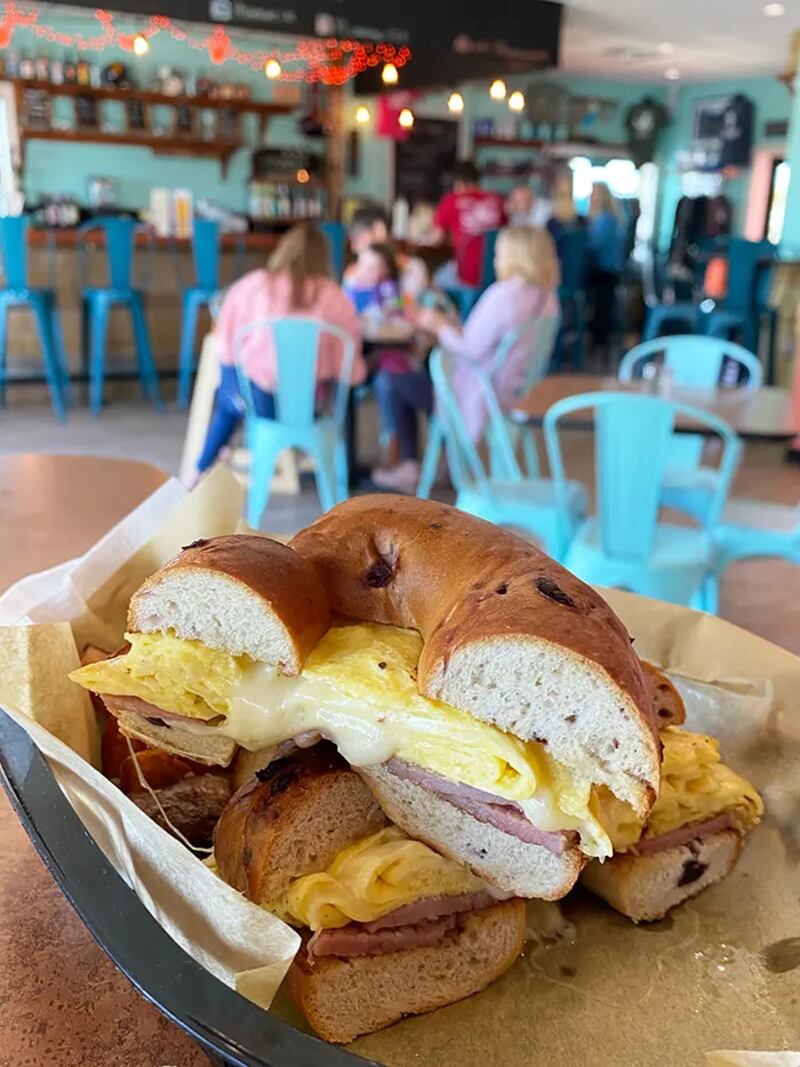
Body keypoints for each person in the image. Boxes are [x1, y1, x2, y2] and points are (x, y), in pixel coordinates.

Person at [371, 226, 560, 493]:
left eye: (498, 253)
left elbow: (468, 348)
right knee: (414, 374)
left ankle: (412, 464)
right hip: (517, 390)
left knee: (390, 379)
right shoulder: (548, 298)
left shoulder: (504, 295)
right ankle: (446, 462)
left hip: (481, 394)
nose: (495, 260)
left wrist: (438, 325)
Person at [190, 222, 364, 483]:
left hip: (257, 404)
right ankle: (337, 477)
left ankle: (200, 469)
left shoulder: (252, 286)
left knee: (231, 390)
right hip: (308, 410)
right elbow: (351, 373)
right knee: (324, 392)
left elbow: (225, 343)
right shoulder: (336, 299)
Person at [431, 160, 506, 289]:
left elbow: (437, 239)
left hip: (466, 274)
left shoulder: (452, 200)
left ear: (459, 183)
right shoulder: (496, 200)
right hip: (496, 274)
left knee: (435, 280)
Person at [346, 205, 428, 301]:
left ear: (380, 232)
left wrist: (387, 304)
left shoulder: (412, 268)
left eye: (358, 239)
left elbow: (407, 303)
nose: (353, 248)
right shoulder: (353, 274)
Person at [586, 183, 625, 349]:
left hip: (604, 271)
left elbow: (593, 247)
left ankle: (597, 339)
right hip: (612, 271)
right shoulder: (614, 219)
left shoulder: (603, 220)